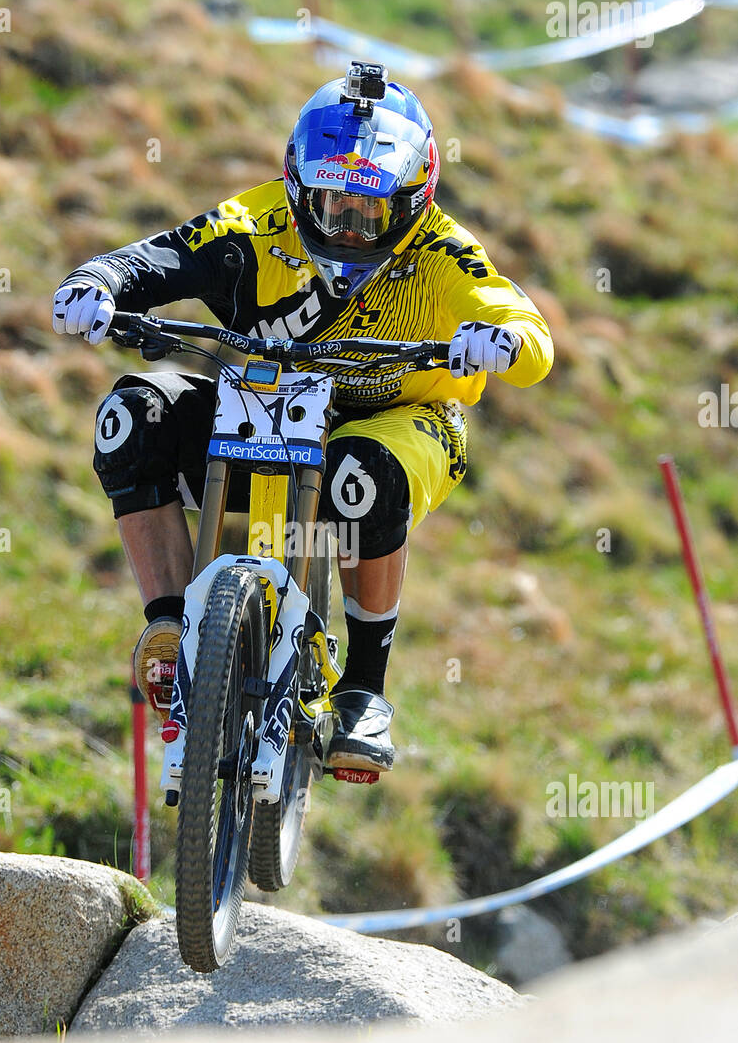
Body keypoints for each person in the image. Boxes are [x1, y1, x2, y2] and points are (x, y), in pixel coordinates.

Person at [52, 61, 553, 774]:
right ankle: (169, 626)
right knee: (129, 414)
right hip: (259, 397)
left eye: (370, 213)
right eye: (328, 205)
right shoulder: (250, 221)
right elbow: (155, 258)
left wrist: (501, 341)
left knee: (362, 478)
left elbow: (523, 326)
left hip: (395, 416)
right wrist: (95, 283)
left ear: (415, 201)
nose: (347, 230)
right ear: (293, 185)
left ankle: (363, 692)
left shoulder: (445, 251)